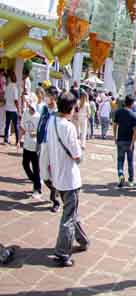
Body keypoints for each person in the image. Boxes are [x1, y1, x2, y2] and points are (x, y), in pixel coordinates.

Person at [44, 91, 89, 267]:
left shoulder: (52, 122)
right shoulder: (68, 127)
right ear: (70, 108)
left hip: (58, 177)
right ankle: (63, 252)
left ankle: (83, 240)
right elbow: (77, 155)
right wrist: (81, 153)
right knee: (69, 217)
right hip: (70, 179)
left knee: (72, 211)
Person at [37, 86, 62, 212]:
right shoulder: (45, 109)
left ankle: (55, 200)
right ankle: (54, 189)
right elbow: (41, 124)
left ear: (53, 97)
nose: (46, 98)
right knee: (43, 173)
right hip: (44, 144)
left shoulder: (59, 112)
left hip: (55, 146)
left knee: (55, 172)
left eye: (47, 95)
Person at [20, 92, 43, 200]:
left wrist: (37, 134)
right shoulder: (25, 113)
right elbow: (22, 126)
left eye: (30, 104)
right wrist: (19, 140)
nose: (29, 106)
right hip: (27, 144)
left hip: (35, 146)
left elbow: (41, 131)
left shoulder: (38, 117)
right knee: (25, 164)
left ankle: (37, 189)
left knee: (36, 167)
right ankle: (35, 180)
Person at [113, 95, 136, 188]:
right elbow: (135, 130)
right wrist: (133, 143)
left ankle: (120, 175)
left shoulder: (118, 112)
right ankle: (131, 180)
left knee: (120, 160)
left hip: (120, 140)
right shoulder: (133, 115)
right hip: (129, 141)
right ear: (132, 104)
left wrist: (114, 136)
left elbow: (115, 124)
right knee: (130, 161)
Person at [3, 70, 20, 147]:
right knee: (16, 125)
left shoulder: (7, 87)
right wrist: (19, 110)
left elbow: (5, 98)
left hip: (7, 108)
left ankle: (5, 140)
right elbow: (16, 100)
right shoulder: (15, 88)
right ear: (15, 78)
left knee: (7, 125)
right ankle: (17, 141)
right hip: (13, 110)